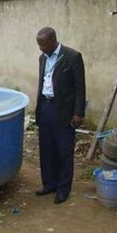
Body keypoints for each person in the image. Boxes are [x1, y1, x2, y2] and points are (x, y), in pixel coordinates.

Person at [34, 27, 86, 204]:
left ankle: (63, 189)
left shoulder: (72, 56)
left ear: (53, 40)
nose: (40, 48)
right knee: (47, 149)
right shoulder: (43, 58)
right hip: (45, 108)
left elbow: (80, 88)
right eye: (38, 44)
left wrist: (78, 113)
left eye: (43, 44)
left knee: (64, 151)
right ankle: (49, 184)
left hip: (63, 110)